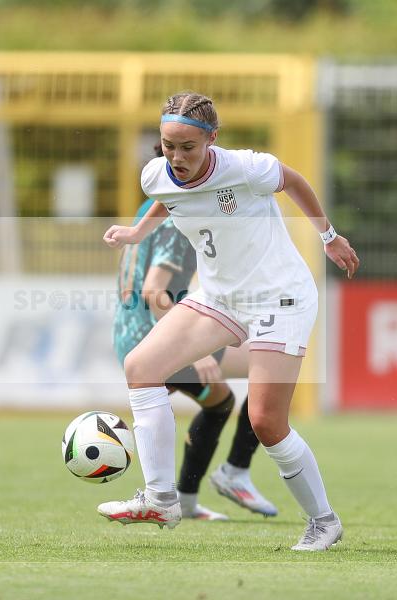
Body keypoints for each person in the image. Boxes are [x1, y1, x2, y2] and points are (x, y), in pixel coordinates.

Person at [100, 92, 359, 551]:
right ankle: (161, 498)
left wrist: (328, 236)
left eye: (188, 147)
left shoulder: (245, 167)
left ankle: (324, 521)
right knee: (141, 367)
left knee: (265, 421)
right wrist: (138, 232)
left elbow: (294, 180)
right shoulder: (155, 174)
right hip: (221, 297)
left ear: (212, 140)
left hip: (280, 296)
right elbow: (170, 196)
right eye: (168, 145)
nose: (176, 158)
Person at [113, 146, 277, 521]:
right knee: (270, 364)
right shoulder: (177, 214)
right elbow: (154, 290)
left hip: (131, 332)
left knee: (221, 397)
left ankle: (186, 495)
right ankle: (226, 475)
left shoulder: (151, 208)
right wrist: (198, 352)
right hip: (153, 332)